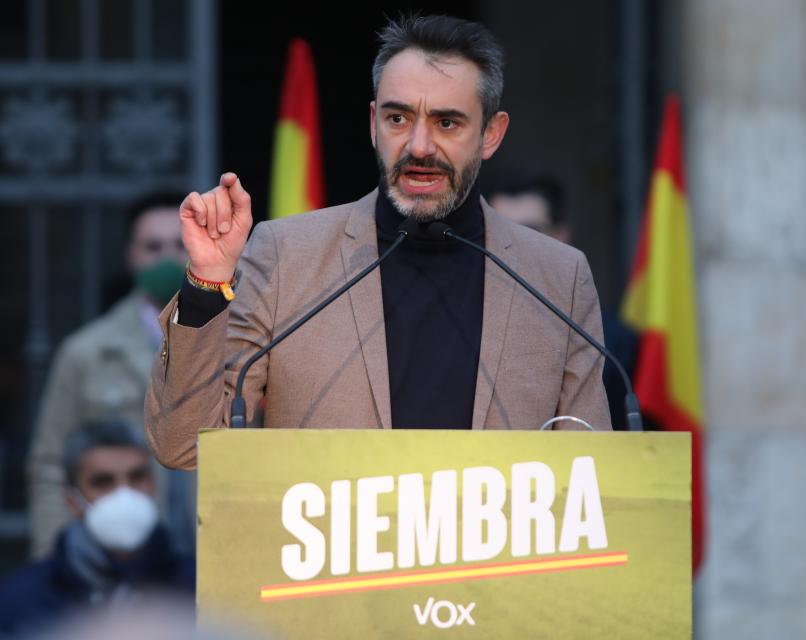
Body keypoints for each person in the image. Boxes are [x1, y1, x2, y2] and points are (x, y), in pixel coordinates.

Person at [145, 14, 611, 471]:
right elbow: (185, 446)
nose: (420, 146)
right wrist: (207, 284)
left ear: (491, 133)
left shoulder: (557, 277)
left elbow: (591, 476)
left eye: (447, 123)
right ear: (373, 123)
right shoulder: (287, 255)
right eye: (399, 118)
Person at [28, 193, 196, 558]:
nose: (168, 257)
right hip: (120, 557)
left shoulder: (238, 340)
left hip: (216, 553)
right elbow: (50, 463)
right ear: (132, 256)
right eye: (153, 246)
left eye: (180, 244)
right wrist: (56, 560)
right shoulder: (87, 351)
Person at [0, 421, 194, 638]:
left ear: (153, 484)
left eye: (137, 477)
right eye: (103, 482)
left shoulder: (194, 589)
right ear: (72, 500)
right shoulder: (21, 601)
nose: (124, 494)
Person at [486, 173, 639, 428]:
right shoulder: (464, 319)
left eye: (530, 231)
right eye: (500, 233)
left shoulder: (611, 340)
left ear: (561, 236)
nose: (511, 246)